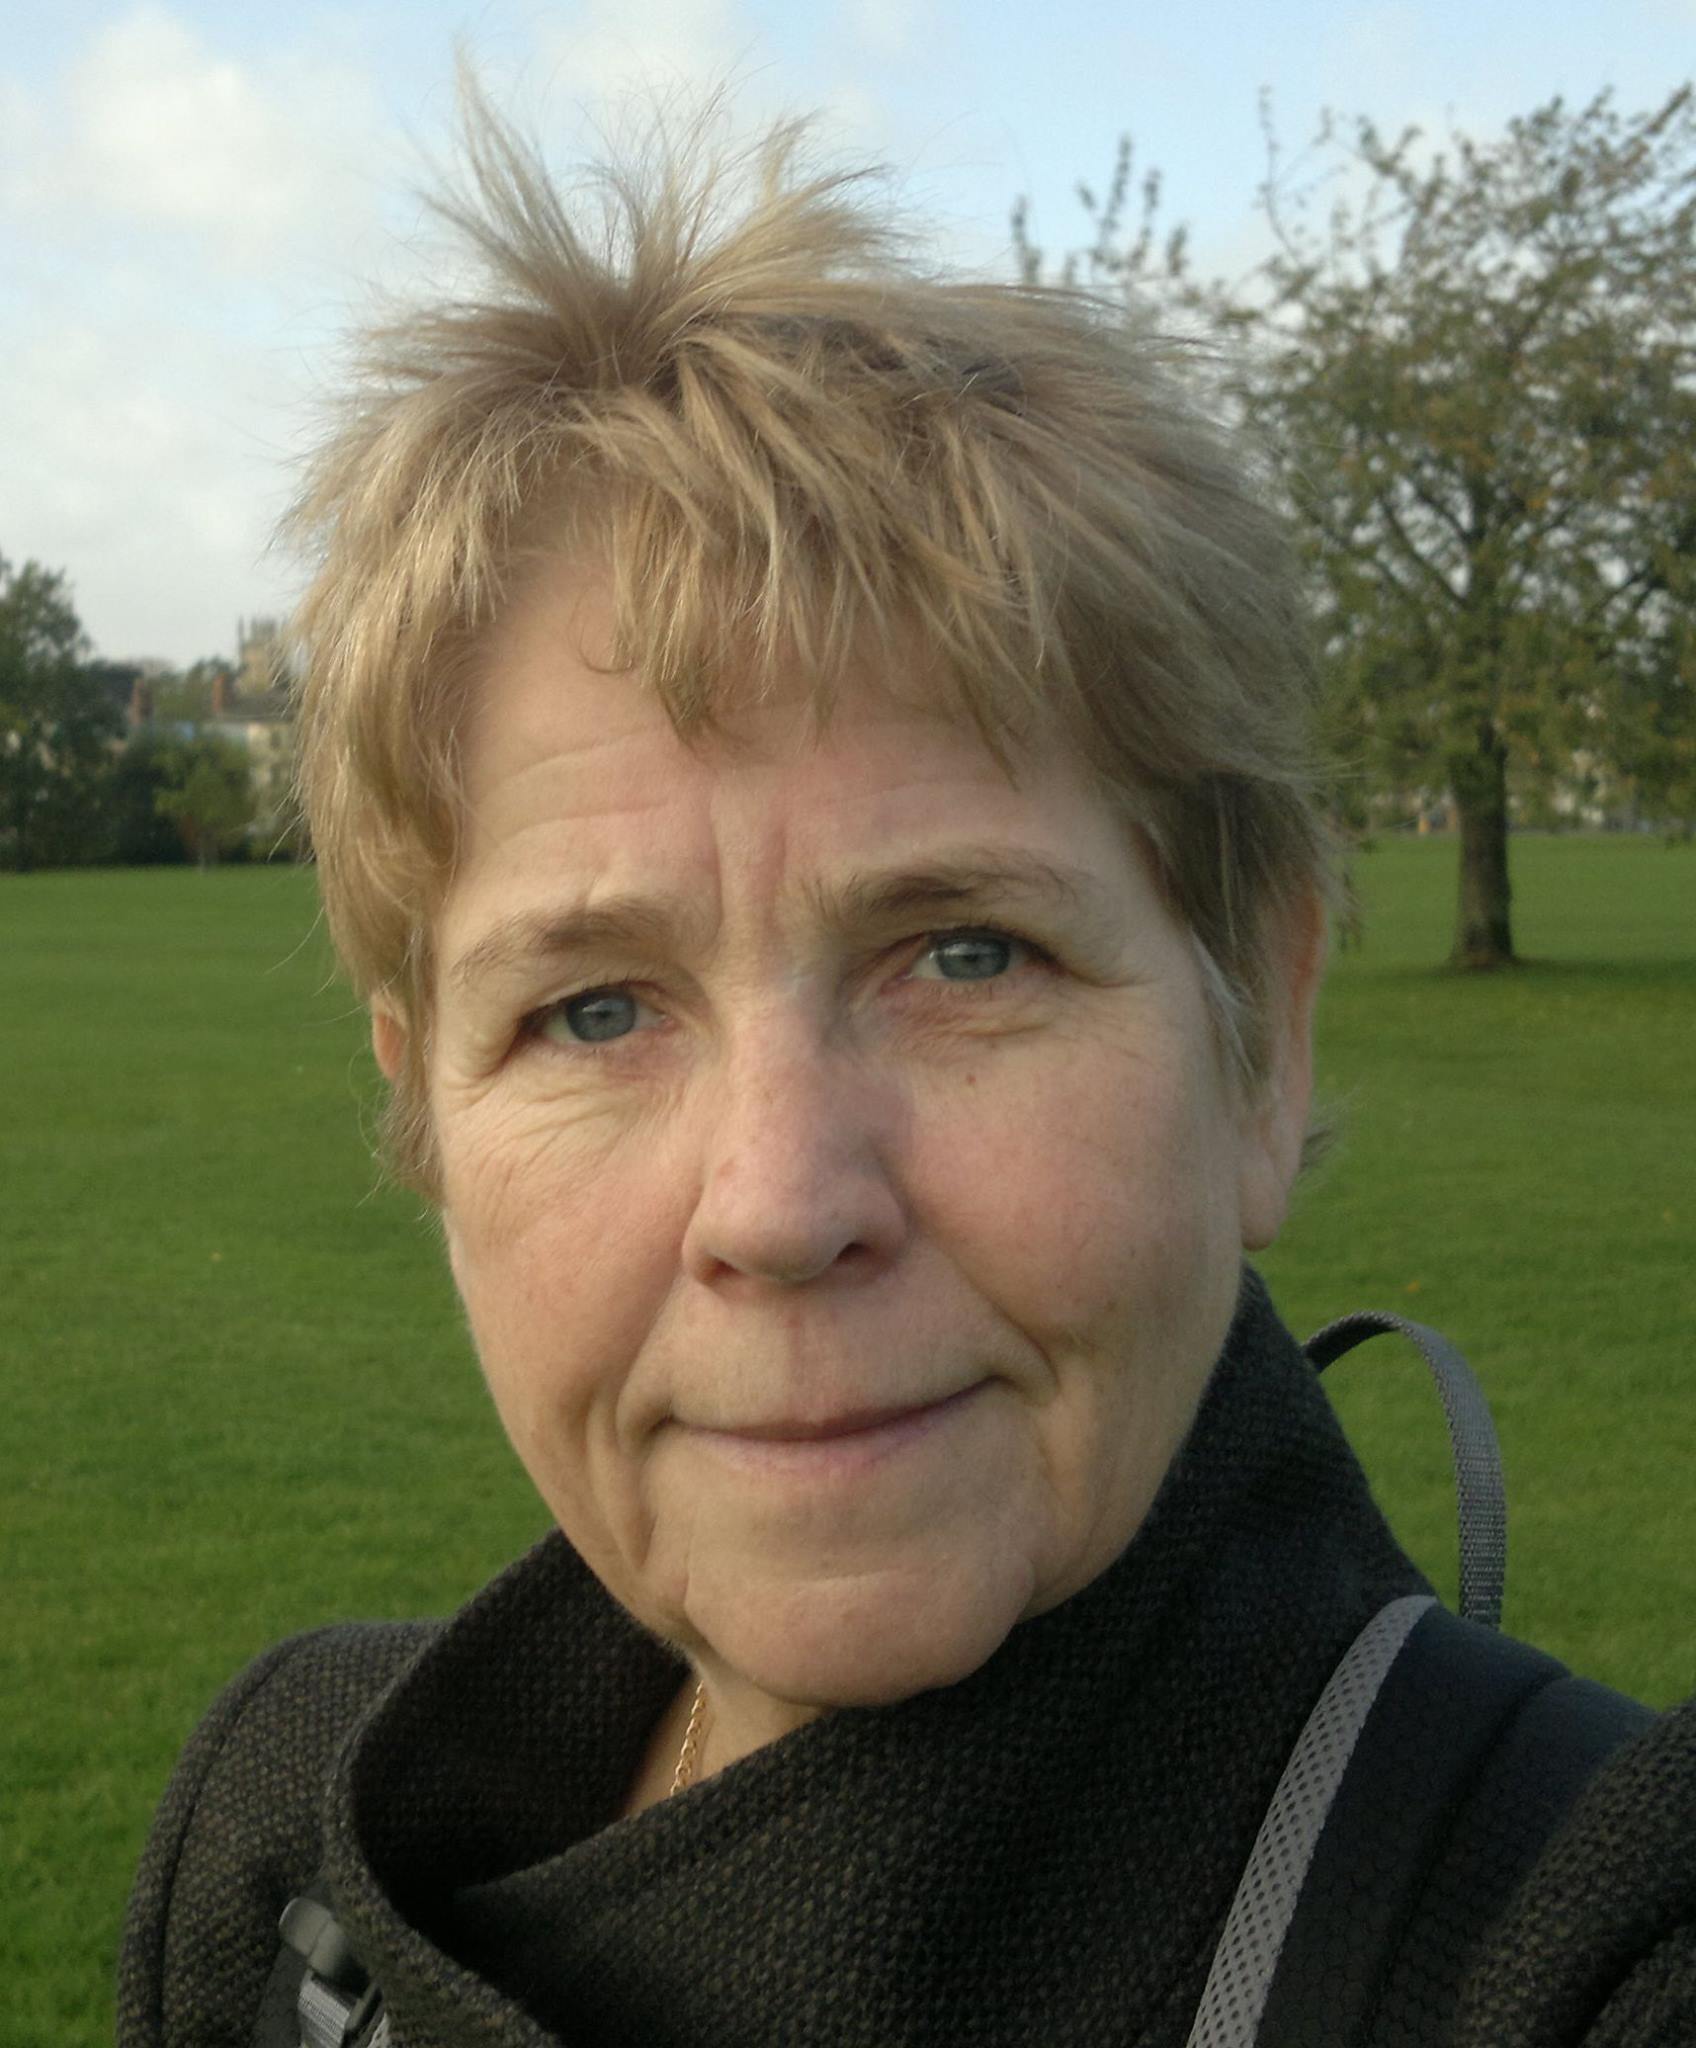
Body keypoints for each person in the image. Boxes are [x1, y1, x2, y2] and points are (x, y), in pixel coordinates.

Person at [118, 93, 1695, 2048]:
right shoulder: (280, 1844)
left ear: (1261, 1040)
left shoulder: (1582, 1945)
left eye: (965, 953)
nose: (780, 1202)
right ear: (427, 1108)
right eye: (592, 1010)